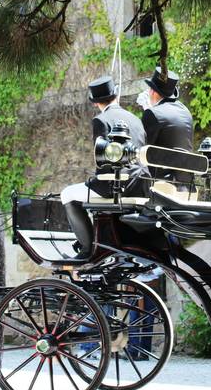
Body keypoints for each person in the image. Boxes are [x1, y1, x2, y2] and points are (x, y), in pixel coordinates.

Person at [60, 75, 148, 258]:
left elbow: (105, 160)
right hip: (140, 184)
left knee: (67, 194)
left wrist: (93, 181)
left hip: (116, 185)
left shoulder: (101, 120)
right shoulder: (136, 119)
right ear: (116, 95)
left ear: (95, 102)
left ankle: (87, 248)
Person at [140, 67, 194, 185]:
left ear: (153, 92)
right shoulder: (186, 112)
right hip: (187, 184)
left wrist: (148, 111)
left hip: (160, 184)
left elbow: (142, 148)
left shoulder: (152, 114)